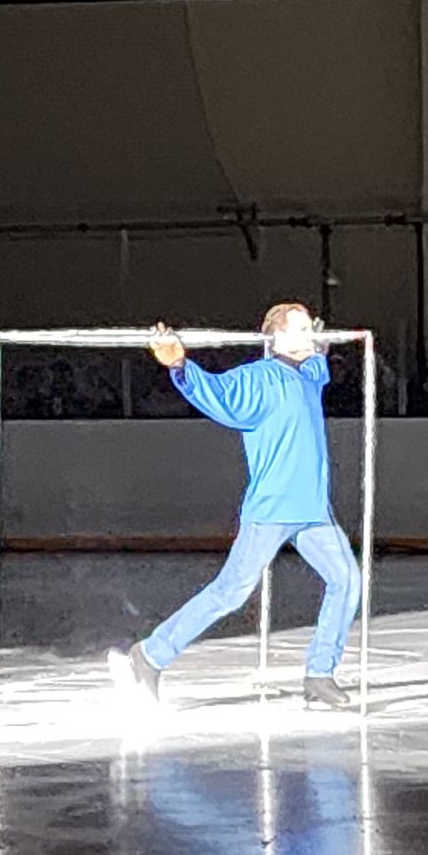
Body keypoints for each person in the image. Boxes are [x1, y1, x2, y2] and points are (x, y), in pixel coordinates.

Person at [118, 303, 361, 712]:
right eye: (300, 329)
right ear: (276, 338)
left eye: (310, 329)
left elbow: (320, 363)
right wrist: (181, 368)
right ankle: (152, 654)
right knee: (230, 593)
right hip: (271, 508)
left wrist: (318, 344)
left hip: (313, 509)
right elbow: (218, 394)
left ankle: (320, 673)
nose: (310, 335)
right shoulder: (258, 380)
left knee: (347, 581)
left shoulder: (310, 375)